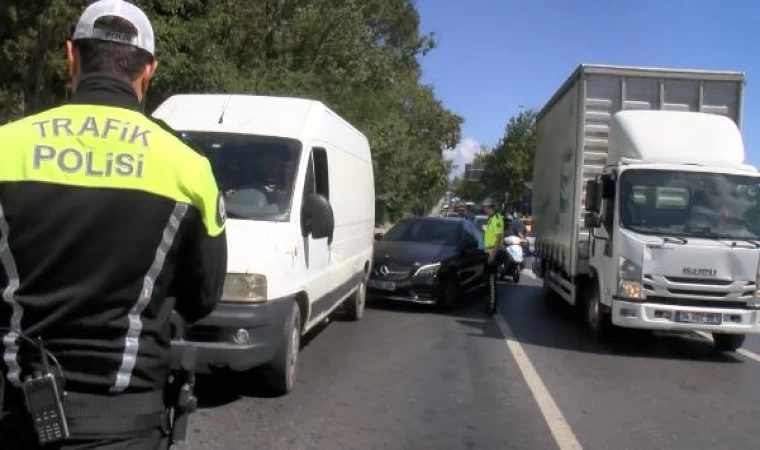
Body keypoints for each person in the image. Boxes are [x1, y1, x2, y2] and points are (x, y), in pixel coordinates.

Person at [0, 1, 227, 448]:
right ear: (149, 71)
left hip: (16, 412)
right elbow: (203, 299)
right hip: (125, 421)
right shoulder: (188, 167)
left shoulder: (8, 147)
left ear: (71, 57)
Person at [483, 199, 504, 315]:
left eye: (485, 207)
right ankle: (488, 304)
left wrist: (492, 255)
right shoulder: (490, 219)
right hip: (489, 252)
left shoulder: (496, 218)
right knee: (488, 280)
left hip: (493, 253)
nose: (484, 209)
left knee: (491, 281)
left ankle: (492, 307)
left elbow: (498, 237)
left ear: (489, 207)